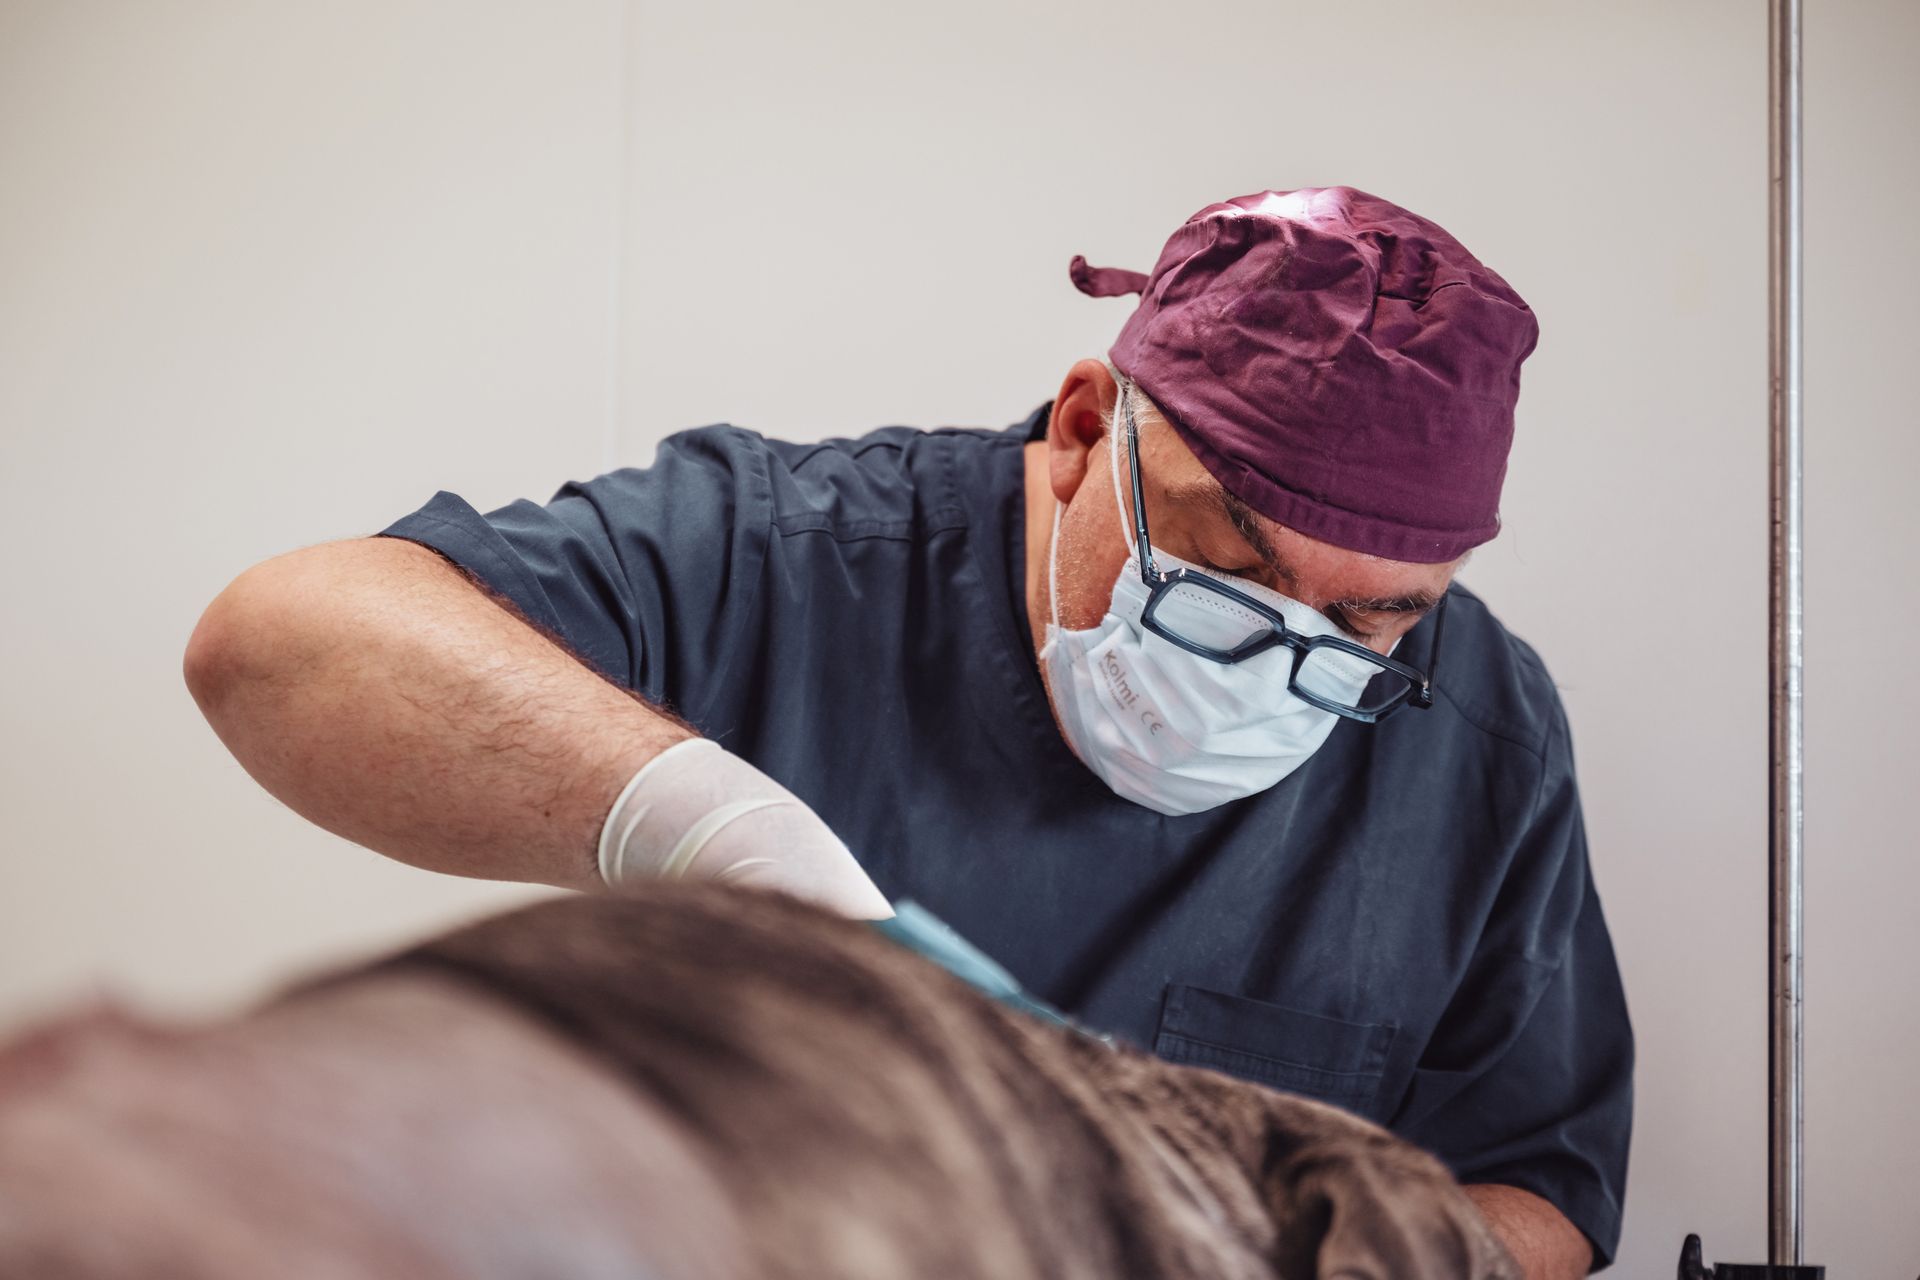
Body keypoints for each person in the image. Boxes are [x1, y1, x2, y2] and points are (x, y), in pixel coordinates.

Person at [185, 186, 1632, 1277]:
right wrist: (728, 841)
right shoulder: (792, 560)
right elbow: (286, 642)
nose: (1275, 667)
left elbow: (1539, 1188)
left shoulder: (1482, 734)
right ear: (1081, 433)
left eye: (1369, 624)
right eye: (1229, 576)